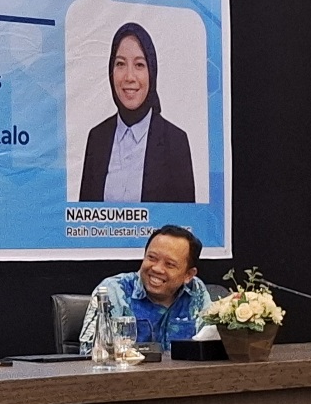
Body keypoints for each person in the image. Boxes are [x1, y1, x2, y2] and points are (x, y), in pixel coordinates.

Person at [78, 22, 195, 203]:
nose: (129, 77)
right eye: (120, 64)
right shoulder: (97, 138)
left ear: (152, 72)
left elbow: (185, 219)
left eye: (139, 65)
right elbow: (83, 216)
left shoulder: (175, 142)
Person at [80, 224, 212, 347]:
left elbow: (210, 344)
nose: (157, 268)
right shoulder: (113, 290)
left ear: (188, 275)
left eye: (169, 264)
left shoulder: (196, 290)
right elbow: (90, 352)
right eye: (152, 258)